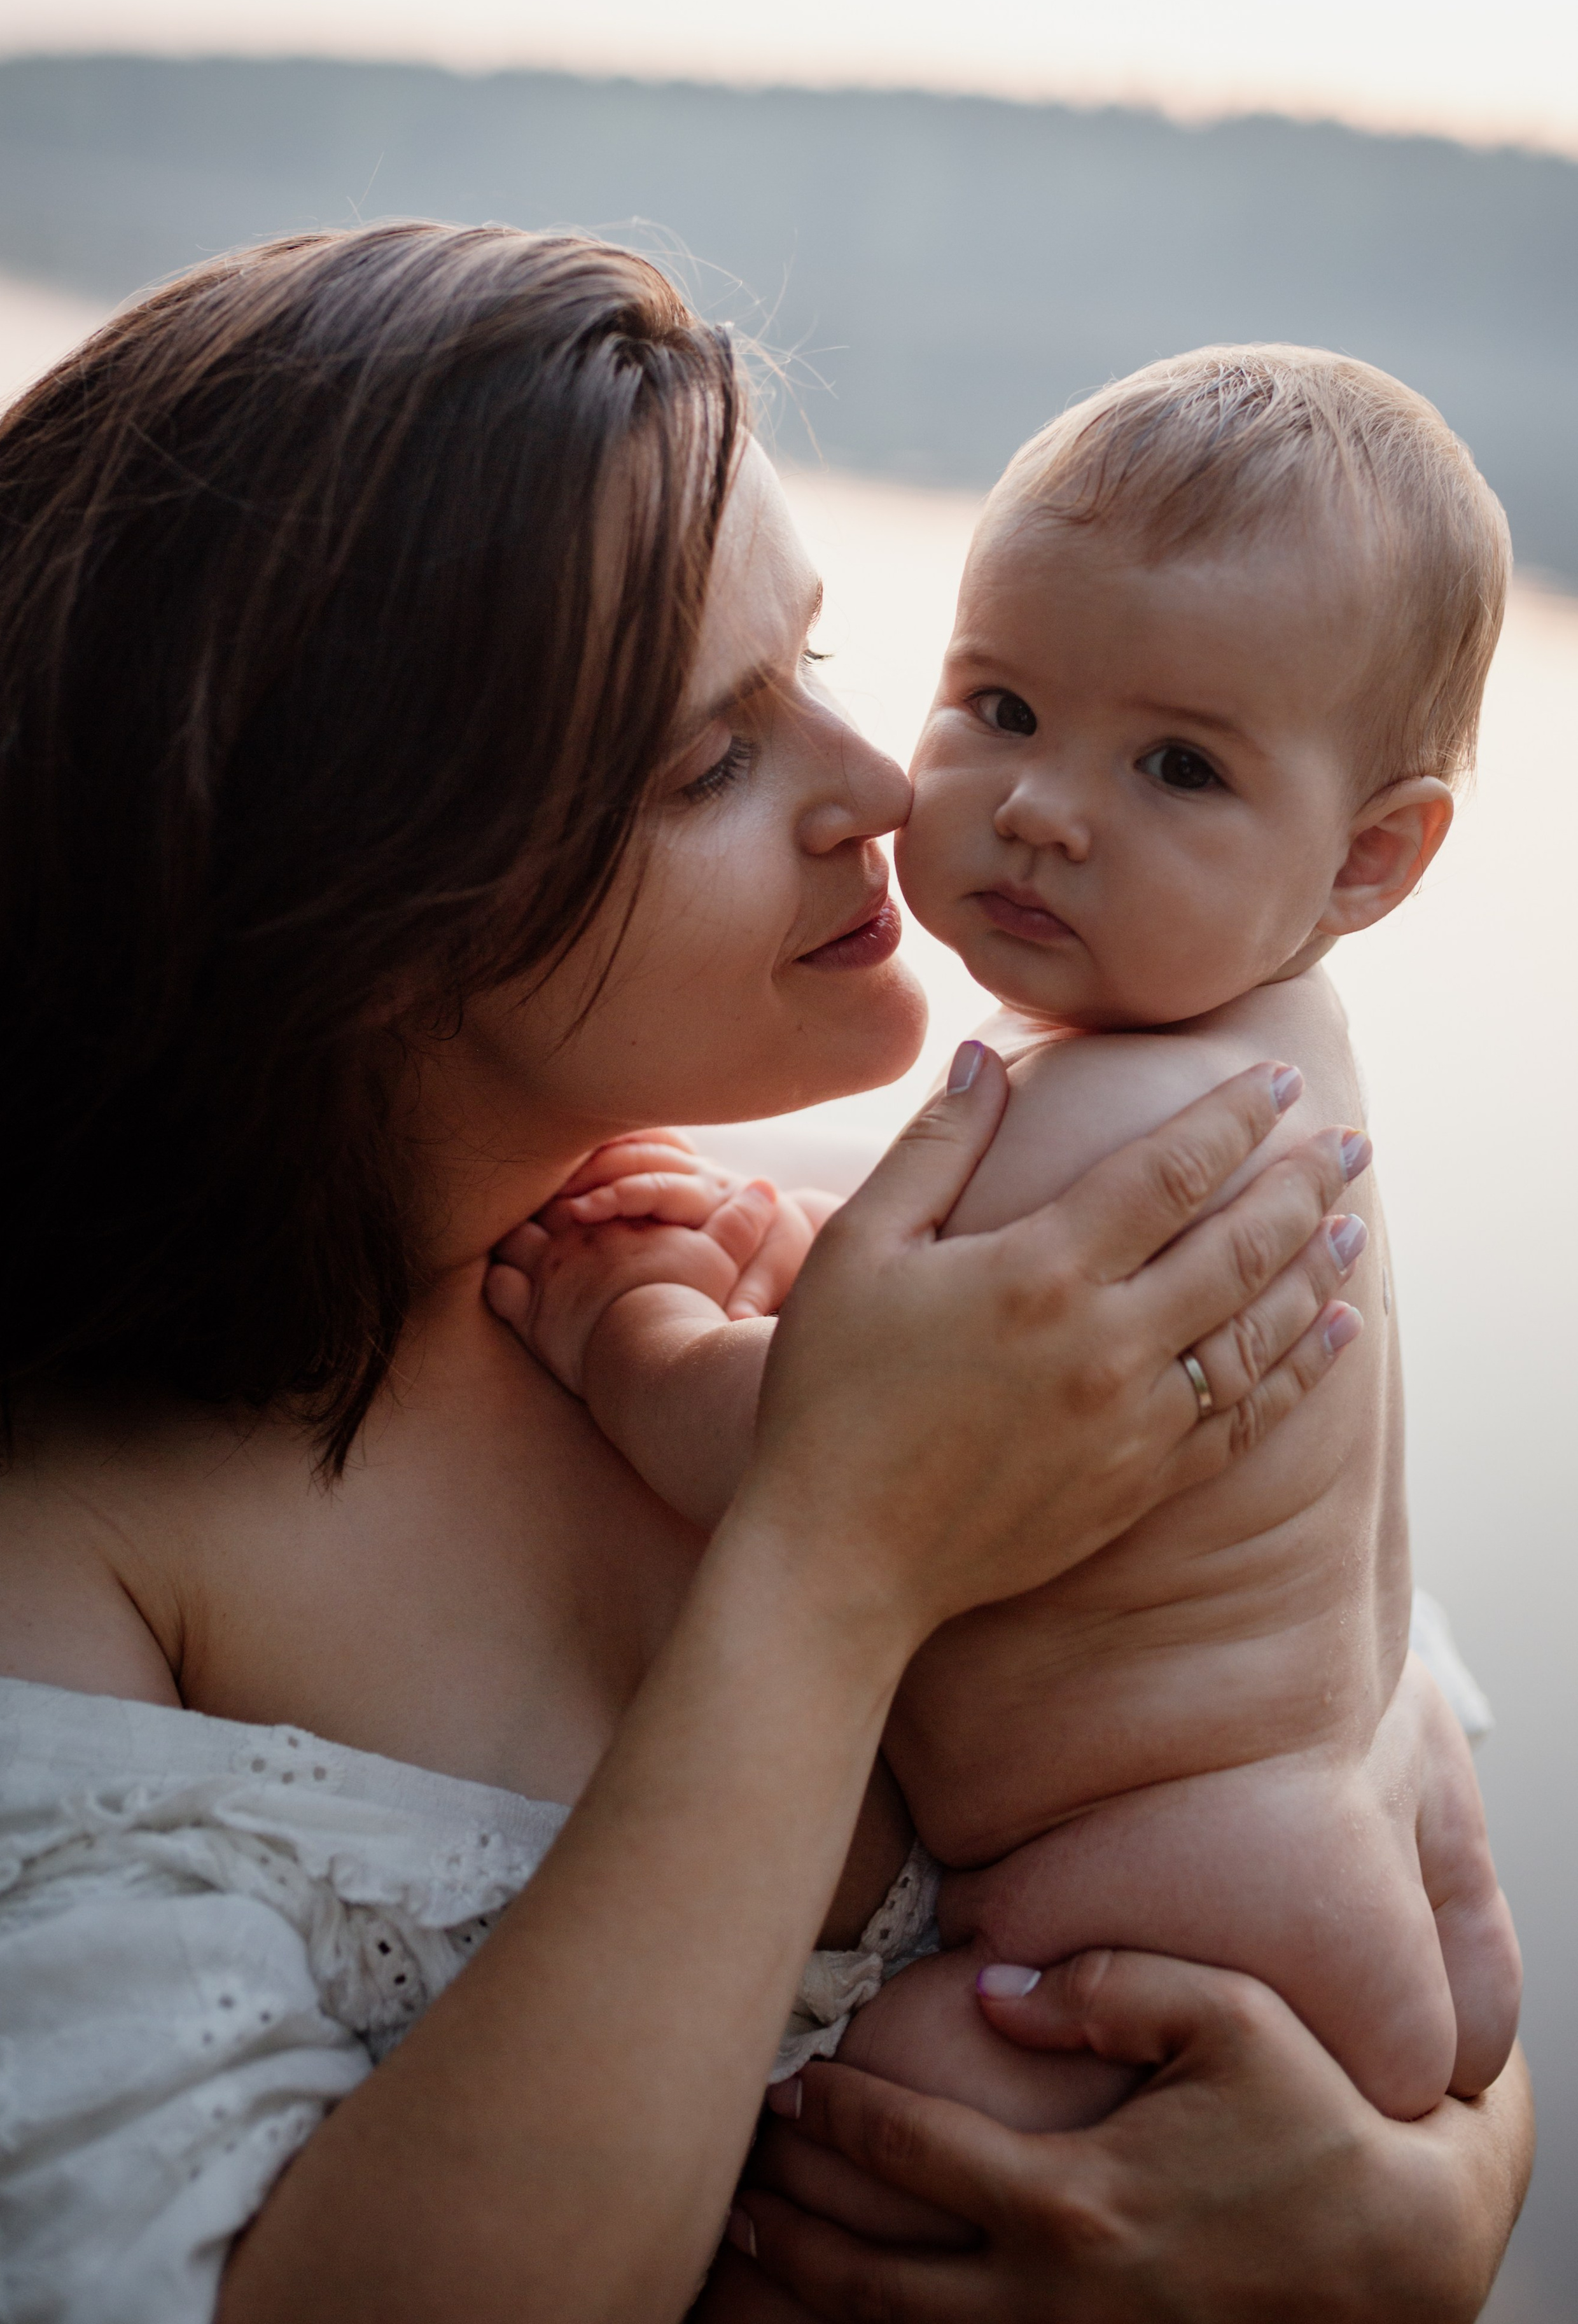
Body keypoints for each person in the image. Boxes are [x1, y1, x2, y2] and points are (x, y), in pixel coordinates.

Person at [0, 226, 1530, 2324]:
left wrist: (1421, 2221)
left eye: (825, 661)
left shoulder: (842, 1224)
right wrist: (834, 1563)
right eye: (714, 756)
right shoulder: (50, 1542)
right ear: (353, 896)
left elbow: (1363, 1735)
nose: (886, 788)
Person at [491, 351, 1524, 2286]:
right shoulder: (1264, 1064)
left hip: (1141, 1908)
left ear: (1369, 859)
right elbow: (951, 1297)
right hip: (1345, 1852)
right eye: (1001, 704)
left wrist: (633, 1329)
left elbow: (833, 1445)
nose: (1040, 808)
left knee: (830, 2172)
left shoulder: (1113, 1126)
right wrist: (793, 1229)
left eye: (1181, 767)